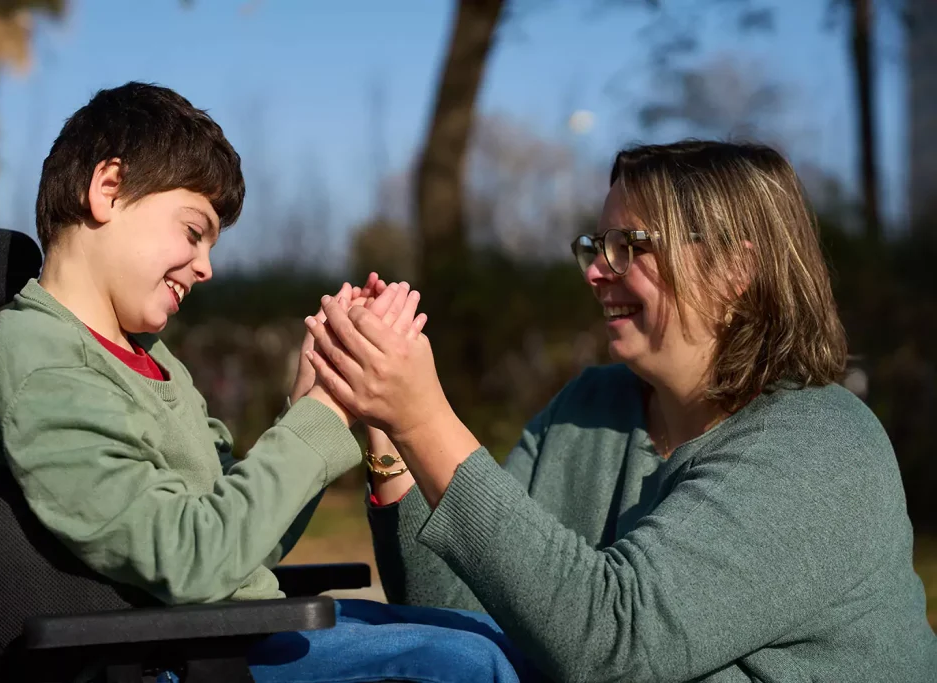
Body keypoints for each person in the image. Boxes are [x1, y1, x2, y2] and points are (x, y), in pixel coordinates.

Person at [0, 82, 541, 683]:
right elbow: (193, 559)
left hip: (226, 632)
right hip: (165, 660)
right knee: (470, 665)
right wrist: (327, 412)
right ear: (107, 189)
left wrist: (307, 404)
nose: (207, 266)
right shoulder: (39, 368)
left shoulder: (145, 358)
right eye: (192, 231)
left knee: (487, 634)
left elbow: (238, 541)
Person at [304, 140, 937, 682]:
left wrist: (425, 419)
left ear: (736, 268)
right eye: (595, 246)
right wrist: (387, 434)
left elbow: (616, 646)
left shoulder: (818, 448)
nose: (596, 272)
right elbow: (457, 610)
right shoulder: (590, 407)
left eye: (629, 246)